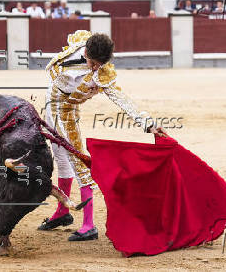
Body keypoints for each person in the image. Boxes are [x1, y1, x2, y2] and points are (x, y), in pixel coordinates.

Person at [38, 30, 166, 241]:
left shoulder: (102, 74)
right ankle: (63, 212)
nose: (96, 68)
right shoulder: (80, 41)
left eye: (100, 64)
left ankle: (89, 224)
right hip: (50, 106)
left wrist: (147, 123)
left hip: (66, 114)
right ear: (86, 51)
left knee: (79, 163)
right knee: (62, 161)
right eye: (93, 63)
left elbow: (122, 99)